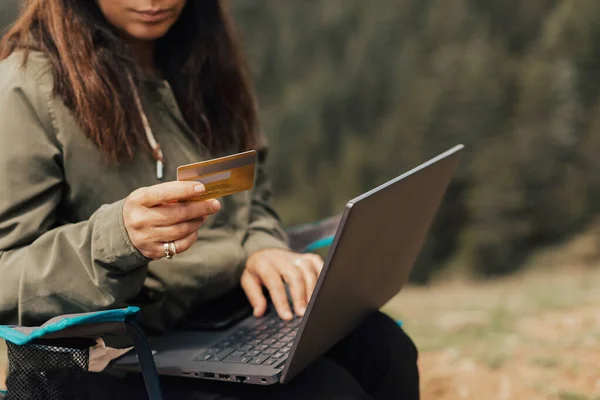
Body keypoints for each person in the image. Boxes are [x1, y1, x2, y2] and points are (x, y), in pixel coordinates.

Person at [0, 1, 420, 399]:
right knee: (328, 391)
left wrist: (261, 247)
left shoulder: (202, 62)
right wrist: (118, 239)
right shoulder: (26, 86)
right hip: (115, 353)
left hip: (219, 314)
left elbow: (251, 191)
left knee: (386, 350)